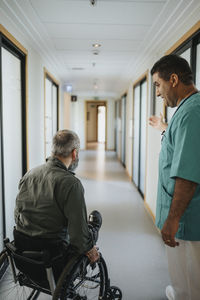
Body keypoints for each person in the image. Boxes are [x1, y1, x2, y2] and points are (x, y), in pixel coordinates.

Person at [14, 129, 101, 281]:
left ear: (53, 150)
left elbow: (17, 215)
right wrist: (89, 248)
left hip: (24, 256)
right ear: (74, 154)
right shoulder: (72, 184)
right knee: (94, 224)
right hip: (55, 261)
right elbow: (78, 236)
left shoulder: (30, 174)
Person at [151, 54, 200, 300]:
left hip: (187, 219)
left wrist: (173, 218)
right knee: (182, 279)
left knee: (191, 284)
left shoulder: (193, 112)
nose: (158, 93)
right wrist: (163, 128)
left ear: (173, 79)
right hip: (184, 216)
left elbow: (188, 174)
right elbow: (180, 142)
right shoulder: (187, 109)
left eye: (158, 85)